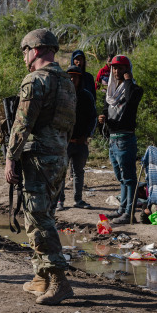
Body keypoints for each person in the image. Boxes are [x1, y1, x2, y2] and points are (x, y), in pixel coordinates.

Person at [4, 29, 76, 305]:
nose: (24, 57)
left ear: (34, 50)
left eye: (24, 51)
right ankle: (41, 278)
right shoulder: (67, 82)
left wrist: (10, 157)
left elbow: (22, 124)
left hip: (38, 158)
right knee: (43, 214)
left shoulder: (36, 80)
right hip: (59, 156)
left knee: (37, 217)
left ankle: (59, 281)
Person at [99, 55, 144, 224]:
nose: (117, 71)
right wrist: (102, 120)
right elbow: (107, 112)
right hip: (113, 139)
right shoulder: (110, 93)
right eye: (114, 68)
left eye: (121, 68)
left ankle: (128, 213)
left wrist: (129, 81)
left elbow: (132, 99)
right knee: (121, 177)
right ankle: (122, 209)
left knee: (129, 178)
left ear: (127, 70)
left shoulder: (134, 90)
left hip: (125, 139)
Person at [56, 66, 97, 211]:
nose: (73, 79)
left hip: (81, 142)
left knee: (79, 172)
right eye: (70, 76)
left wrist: (86, 136)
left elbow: (93, 118)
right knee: (61, 172)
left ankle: (78, 200)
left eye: (76, 77)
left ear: (80, 79)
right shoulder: (60, 95)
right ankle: (60, 201)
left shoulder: (87, 96)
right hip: (64, 142)